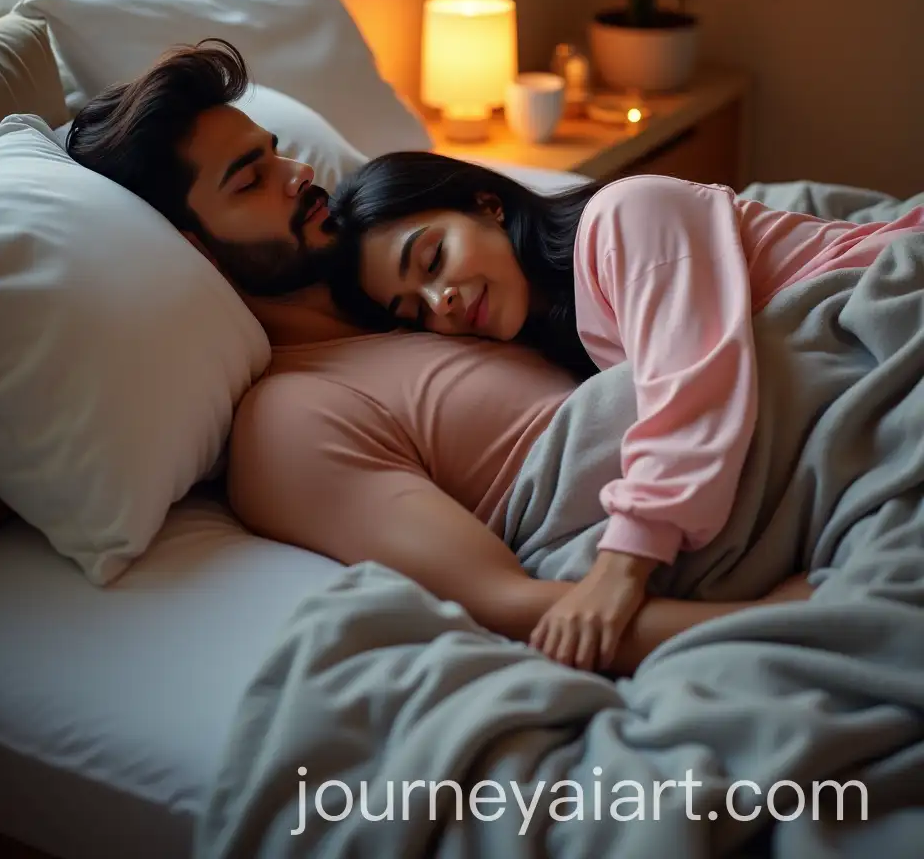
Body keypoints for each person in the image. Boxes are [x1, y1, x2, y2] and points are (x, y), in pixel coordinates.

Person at [66, 39, 811, 674]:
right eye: (250, 180)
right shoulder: (288, 419)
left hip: (762, 415)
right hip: (729, 524)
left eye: (273, 152)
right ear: (197, 250)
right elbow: (512, 604)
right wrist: (773, 622)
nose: (297, 174)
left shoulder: (406, 274)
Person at [328, 149, 924, 667]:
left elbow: (692, 383)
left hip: (881, 302)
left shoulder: (622, 214)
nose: (443, 301)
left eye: (432, 260)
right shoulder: (561, 331)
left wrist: (620, 569)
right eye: (417, 312)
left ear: (488, 204)